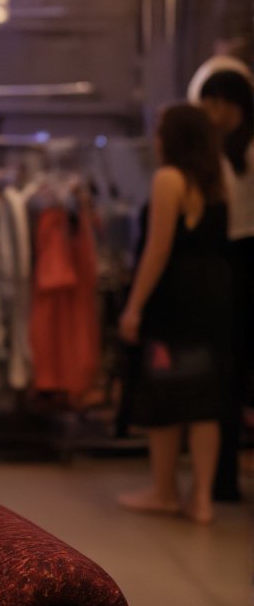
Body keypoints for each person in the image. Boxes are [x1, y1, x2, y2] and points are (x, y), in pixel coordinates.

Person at [118, 104, 232, 524]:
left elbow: (158, 247)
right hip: (215, 296)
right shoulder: (218, 180)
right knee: (205, 398)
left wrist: (134, 306)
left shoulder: (169, 178)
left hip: (175, 299)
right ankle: (201, 497)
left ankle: (165, 490)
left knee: (165, 389)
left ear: (174, 137)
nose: (155, 138)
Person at [198, 68, 254, 499]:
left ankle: (225, 480)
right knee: (228, 372)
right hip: (231, 257)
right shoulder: (223, 149)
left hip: (243, 257)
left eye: (212, 103)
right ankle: (223, 480)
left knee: (233, 370)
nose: (208, 113)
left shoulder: (247, 148)